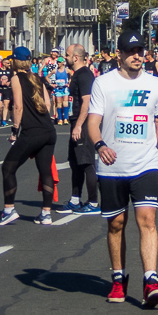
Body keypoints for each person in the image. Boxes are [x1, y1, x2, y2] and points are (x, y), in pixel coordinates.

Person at [87, 29, 158, 306]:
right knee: (116, 224)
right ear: (119, 54)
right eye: (131, 52)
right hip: (112, 167)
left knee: (147, 220)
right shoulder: (103, 84)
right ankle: (119, 279)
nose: (138, 56)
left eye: (140, 51)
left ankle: (151, 281)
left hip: (145, 163)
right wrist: (100, 145)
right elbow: (92, 122)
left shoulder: (156, 84)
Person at [0, 47, 57, 225]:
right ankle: (46, 213)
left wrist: (15, 130)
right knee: (45, 171)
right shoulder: (36, 77)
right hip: (48, 130)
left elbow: (18, 106)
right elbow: (47, 103)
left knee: (8, 168)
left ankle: (9, 209)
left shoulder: (16, 78)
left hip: (32, 132)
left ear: (15, 61)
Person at [58, 43, 100, 215]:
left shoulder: (84, 75)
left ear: (75, 57)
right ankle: (75, 199)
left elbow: (87, 101)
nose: (65, 58)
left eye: (67, 55)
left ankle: (93, 202)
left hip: (83, 124)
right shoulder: (77, 74)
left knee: (86, 162)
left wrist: (79, 125)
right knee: (75, 162)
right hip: (76, 121)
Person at [53, 58, 71, 125]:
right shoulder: (55, 70)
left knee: (65, 103)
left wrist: (69, 82)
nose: (58, 63)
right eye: (57, 62)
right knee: (59, 104)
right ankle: (60, 119)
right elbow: (47, 76)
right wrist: (52, 84)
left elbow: (72, 74)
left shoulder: (66, 70)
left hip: (65, 88)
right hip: (58, 89)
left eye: (59, 62)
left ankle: (65, 119)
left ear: (63, 63)